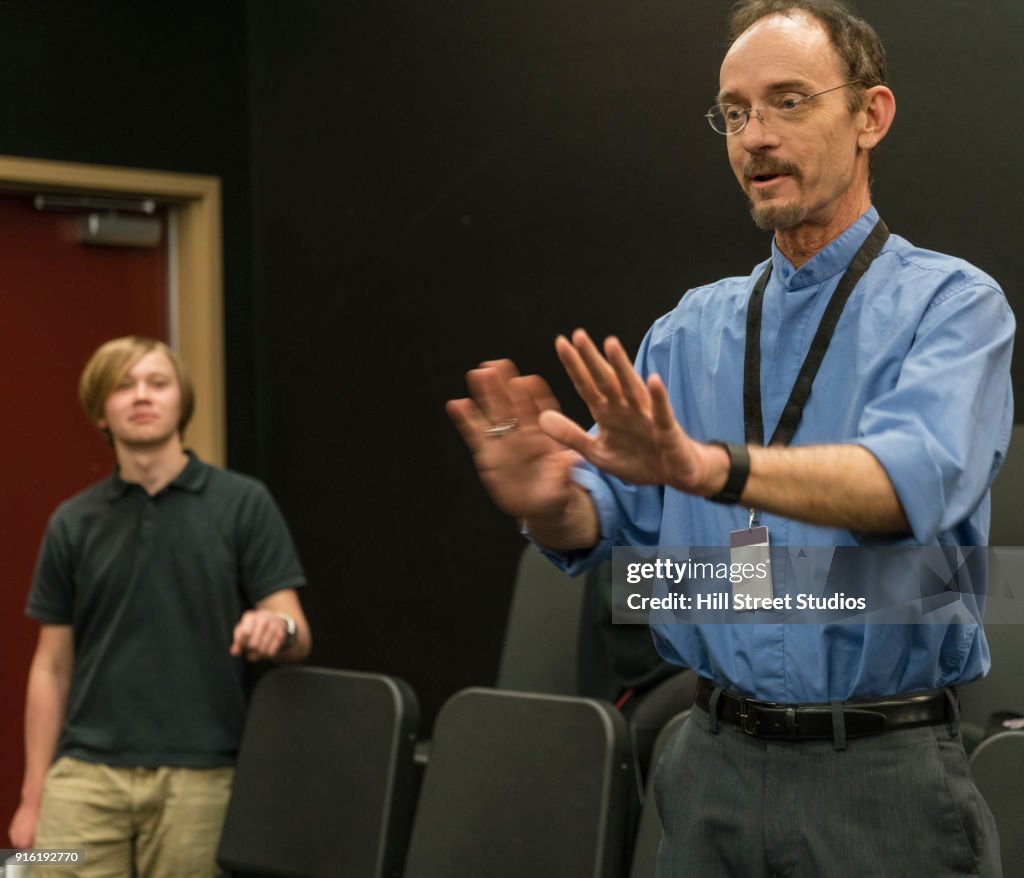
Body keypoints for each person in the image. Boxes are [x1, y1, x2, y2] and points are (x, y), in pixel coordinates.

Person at [447, 1, 1013, 875]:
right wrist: (552, 505)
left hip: (882, 776)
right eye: (737, 112)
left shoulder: (952, 305)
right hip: (709, 764)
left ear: (870, 115)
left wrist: (709, 469)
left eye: (789, 101)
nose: (756, 136)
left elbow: (909, 485)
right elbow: (605, 518)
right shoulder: (687, 330)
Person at [7, 336, 311, 877]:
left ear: (181, 402)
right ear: (101, 410)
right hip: (83, 781)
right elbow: (51, 668)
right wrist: (33, 800)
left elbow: (296, 629)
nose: (141, 396)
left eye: (157, 382)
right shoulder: (72, 522)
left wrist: (277, 625)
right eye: (123, 386)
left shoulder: (242, 502)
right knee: (39, 869)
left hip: (202, 780)